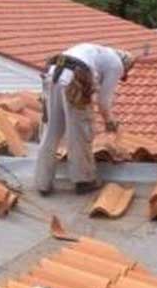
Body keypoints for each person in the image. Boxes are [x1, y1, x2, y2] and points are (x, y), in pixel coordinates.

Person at [34, 44, 133, 195]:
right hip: (75, 80)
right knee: (80, 132)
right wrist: (109, 122)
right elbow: (103, 102)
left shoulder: (95, 50)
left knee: (51, 133)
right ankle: (84, 181)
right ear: (126, 66)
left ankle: (42, 183)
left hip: (53, 74)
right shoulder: (117, 65)